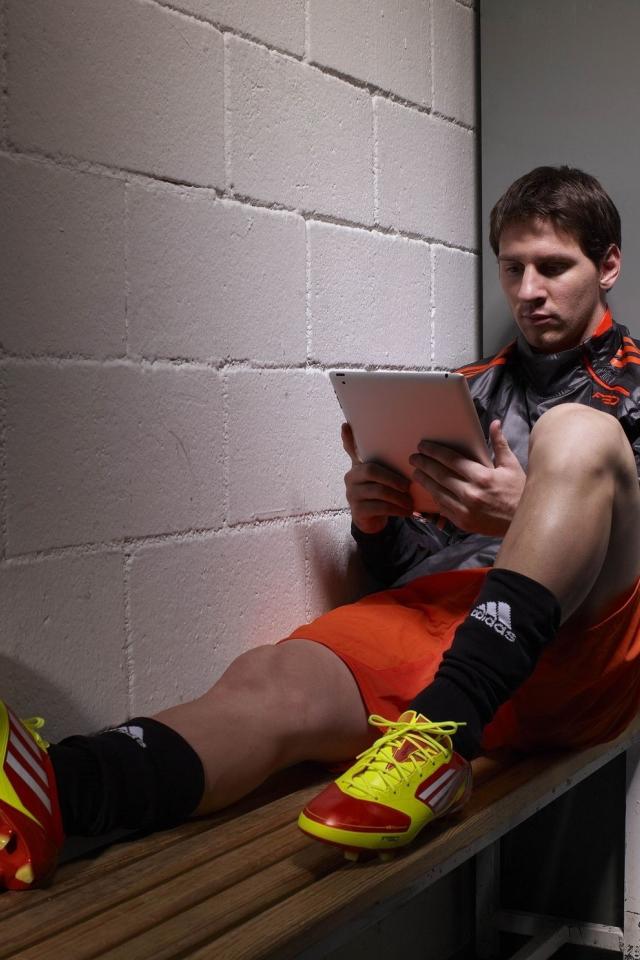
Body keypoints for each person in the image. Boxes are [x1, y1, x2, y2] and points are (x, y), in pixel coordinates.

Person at [3, 165, 640, 888]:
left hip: (578, 644)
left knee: (578, 432)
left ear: (607, 266)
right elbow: (413, 566)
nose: (528, 291)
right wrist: (376, 524)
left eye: (552, 267)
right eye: (513, 268)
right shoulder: (466, 390)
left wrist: (525, 512)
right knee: (270, 680)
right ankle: (56, 790)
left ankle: (442, 732)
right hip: (450, 625)